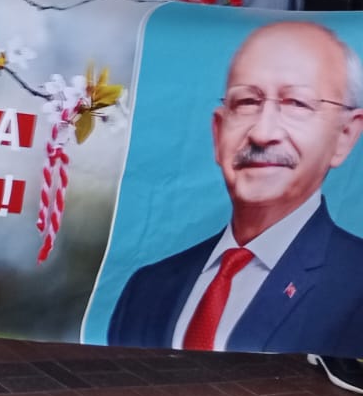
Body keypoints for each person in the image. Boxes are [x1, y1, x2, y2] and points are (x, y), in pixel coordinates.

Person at [108, 23, 363, 368]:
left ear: (345, 135)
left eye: (297, 103)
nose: (262, 132)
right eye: (246, 102)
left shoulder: (354, 284)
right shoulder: (147, 289)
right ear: (218, 132)